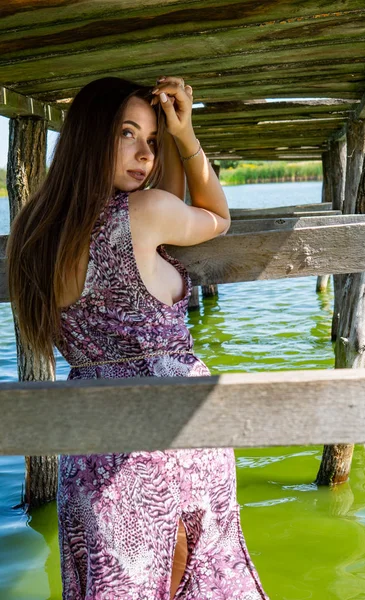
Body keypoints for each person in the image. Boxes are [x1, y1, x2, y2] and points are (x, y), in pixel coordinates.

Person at [6, 75, 269, 599]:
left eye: (152, 140)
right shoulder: (141, 215)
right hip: (169, 440)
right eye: (129, 134)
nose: (144, 153)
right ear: (90, 136)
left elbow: (161, 205)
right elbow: (216, 216)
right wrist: (185, 136)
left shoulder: (35, 233)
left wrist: (164, 138)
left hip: (90, 446)